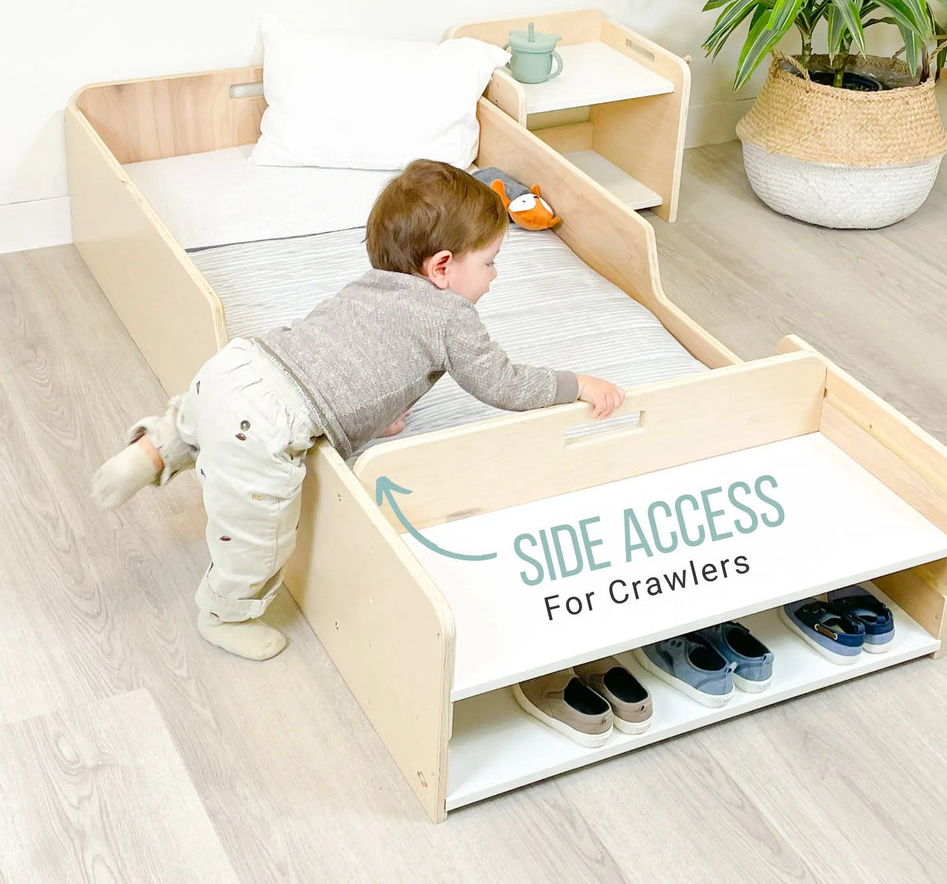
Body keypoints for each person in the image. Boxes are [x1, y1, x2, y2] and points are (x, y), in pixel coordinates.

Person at [91, 159, 625, 661]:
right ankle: (224, 614)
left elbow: (354, 365)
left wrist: (375, 418)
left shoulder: (368, 285)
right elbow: (503, 383)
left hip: (236, 368)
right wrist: (575, 384)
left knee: (199, 417)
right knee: (262, 531)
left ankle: (153, 451)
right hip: (265, 426)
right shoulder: (451, 318)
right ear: (442, 267)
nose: (494, 276)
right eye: (489, 263)